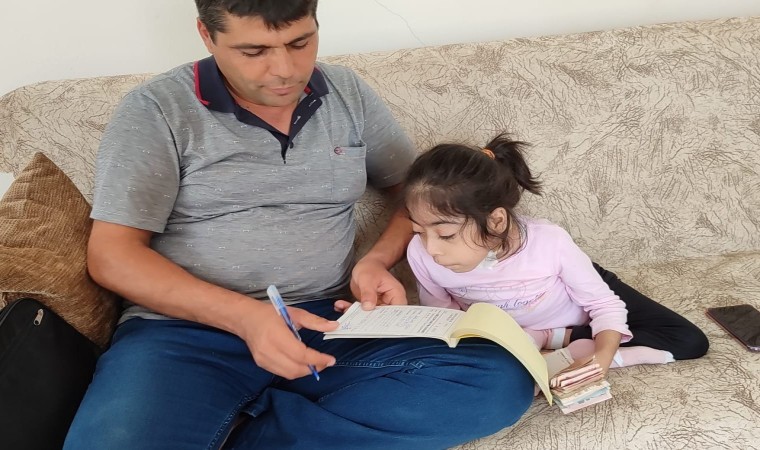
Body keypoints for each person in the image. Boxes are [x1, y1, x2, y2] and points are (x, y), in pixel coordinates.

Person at [63, 2, 537, 449]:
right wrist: (246, 318)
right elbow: (112, 255)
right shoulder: (156, 110)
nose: (285, 70)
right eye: (254, 51)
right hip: (185, 334)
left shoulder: (346, 93)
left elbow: (420, 197)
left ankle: (254, 431)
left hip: (330, 322)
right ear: (207, 34)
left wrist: (376, 261)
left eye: (299, 43)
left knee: (497, 379)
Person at [403, 133, 709, 374]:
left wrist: (603, 359)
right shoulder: (422, 254)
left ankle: (558, 337)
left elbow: (603, 304)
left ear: (496, 221)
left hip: (581, 293)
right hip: (517, 333)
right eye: (419, 231)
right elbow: (446, 320)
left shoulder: (549, 242)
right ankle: (547, 337)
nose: (431, 248)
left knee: (689, 341)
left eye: (446, 235)